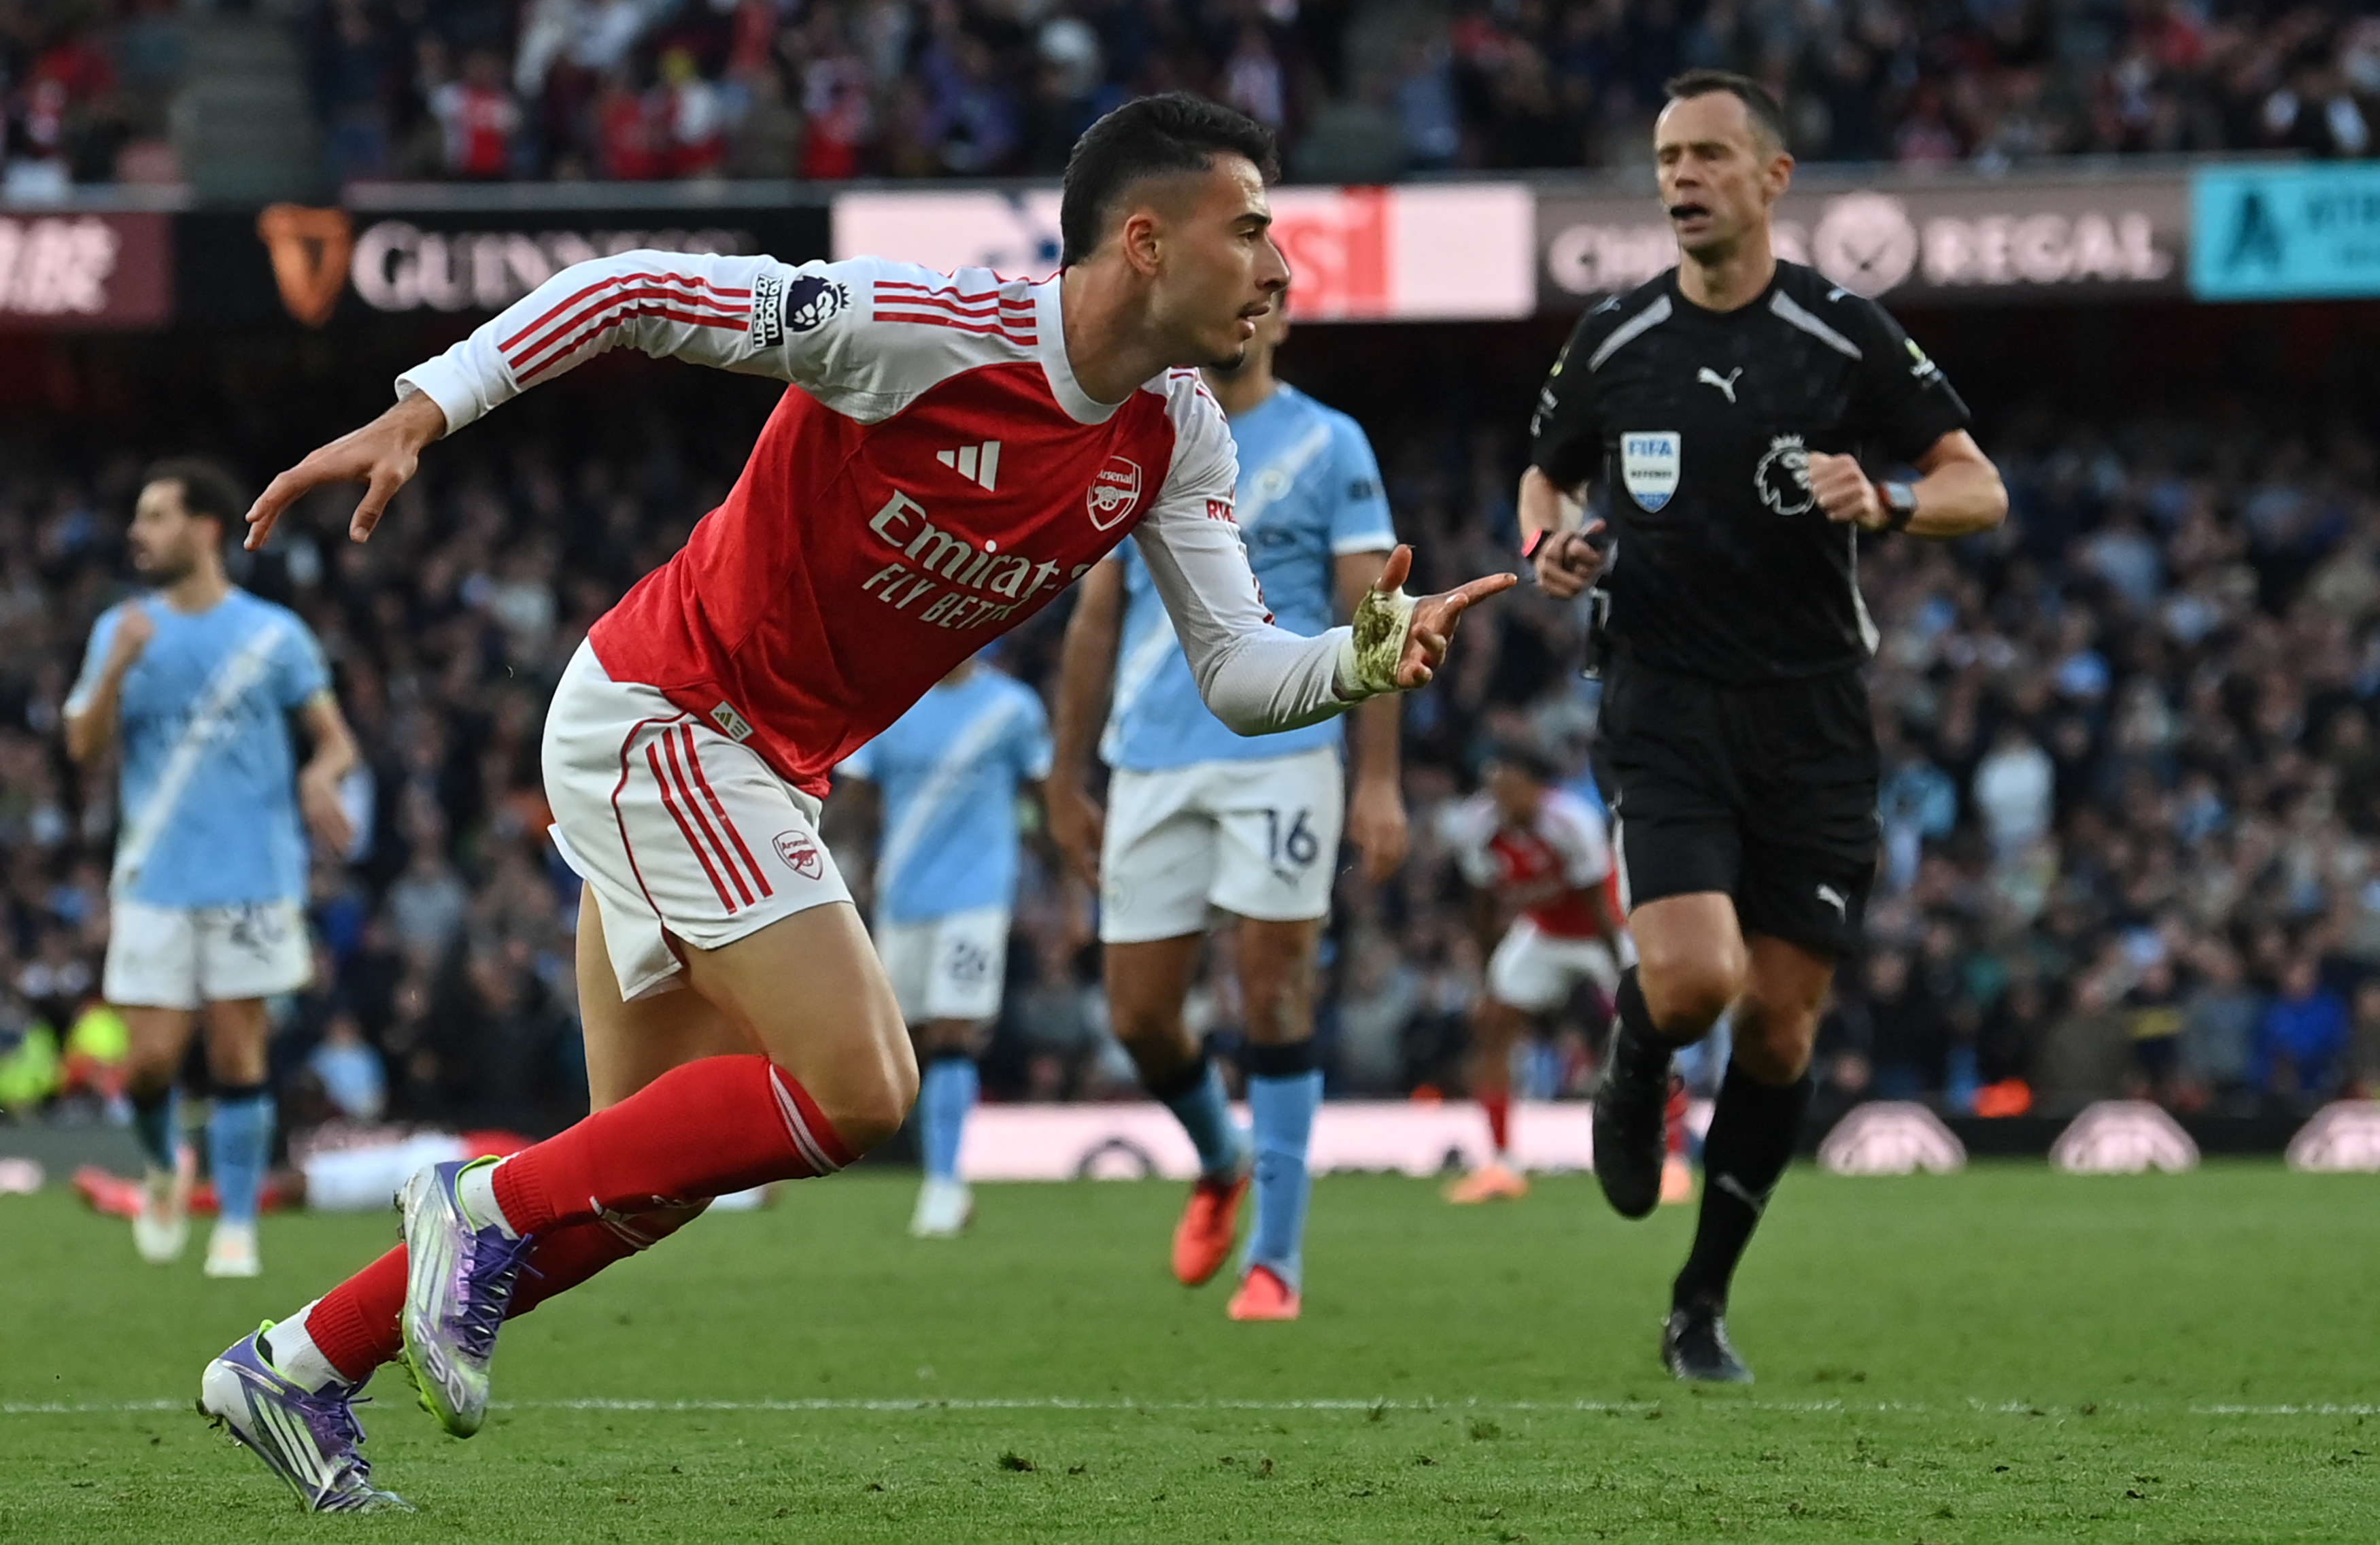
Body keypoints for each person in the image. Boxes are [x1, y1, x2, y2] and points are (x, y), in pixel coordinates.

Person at [204, 90, 1513, 1512]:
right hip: (666, 712)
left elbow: (1236, 668)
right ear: (1145, 240)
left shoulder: (1178, 432)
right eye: (1251, 228)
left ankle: (294, 1362)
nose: (1280, 265)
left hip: (755, 759)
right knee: (860, 1085)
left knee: (633, 1181)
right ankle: (469, 1196)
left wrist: (1356, 660)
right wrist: (426, 404)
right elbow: (634, 286)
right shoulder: (929, 330)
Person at [1519, 69, 2006, 1382]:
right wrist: (1548, 542)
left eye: (1711, 156)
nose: (1682, 178)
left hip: (1813, 721)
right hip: (1665, 701)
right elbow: (1547, 471)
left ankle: (1699, 1304)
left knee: (1783, 1027)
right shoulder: (1617, 337)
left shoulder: (1844, 334)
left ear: (1772, 179)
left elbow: (1980, 486)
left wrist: (1889, 497)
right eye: (1669, 156)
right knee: (1693, 983)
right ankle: (1636, 1060)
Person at [1047, 285, 1403, 1323]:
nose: (1251, 308)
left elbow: (1371, 613)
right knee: (1142, 1019)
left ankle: (1277, 1263)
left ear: (1285, 321)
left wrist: (1377, 776)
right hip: (1153, 755)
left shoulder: (1332, 444)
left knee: (1273, 991)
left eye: (1272, 298)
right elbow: (1095, 616)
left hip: (1286, 750)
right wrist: (1067, 777)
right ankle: (1221, 1156)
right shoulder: (1138, 432)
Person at [62, 460, 359, 1280]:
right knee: (150, 1064)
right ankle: (164, 1170)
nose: (138, 531)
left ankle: (235, 1225)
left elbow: (336, 739)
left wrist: (319, 773)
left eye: (155, 516)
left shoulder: (274, 635)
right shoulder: (123, 627)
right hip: (154, 874)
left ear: (203, 529)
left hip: (253, 875)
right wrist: (118, 664)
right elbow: (81, 745)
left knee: (238, 1054)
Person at [835, 648, 1053, 1236]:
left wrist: (1056, 888)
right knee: (903, 1041)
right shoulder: (891, 701)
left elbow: (1039, 794)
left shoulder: (1012, 708)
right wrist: (863, 864)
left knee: (955, 1029)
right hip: (903, 894)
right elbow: (859, 789)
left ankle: (943, 1183)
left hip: (979, 895)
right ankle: (769, 1169)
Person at [1437, 742, 1630, 1203]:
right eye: (1494, 783)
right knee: (1492, 1027)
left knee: (1648, 1030)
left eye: (1509, 783)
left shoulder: (1572, 821)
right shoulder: (1479, 825)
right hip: (1543, 933)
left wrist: (1623, 971)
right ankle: (1502, 1163)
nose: (1499, 793)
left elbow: (1595, 904)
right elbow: (1481, 907)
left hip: (1600, 930)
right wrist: (1487, 978)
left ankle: (1674, 1156)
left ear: (1536, 787)